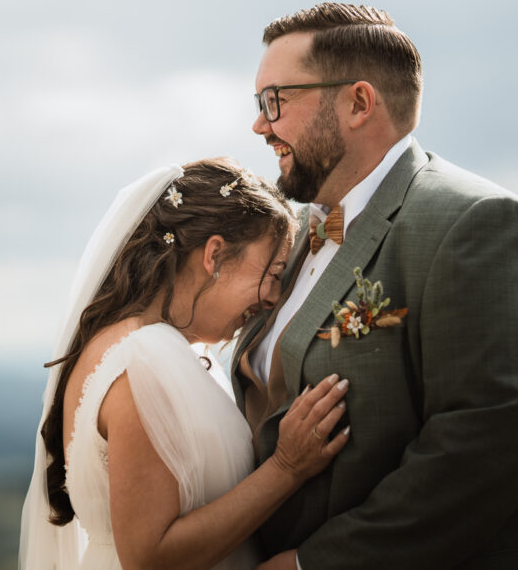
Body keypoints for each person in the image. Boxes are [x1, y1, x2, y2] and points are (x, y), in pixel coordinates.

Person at [235, 3, 518, 569]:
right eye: (260, 104)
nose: (260, 124)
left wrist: (313, 564)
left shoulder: (477, 223)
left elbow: (486, 443)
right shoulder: (296, 233)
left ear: (357, 103)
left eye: (275, 100)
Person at [19, 157, 352, 570]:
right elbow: (151, 555)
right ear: (214, 255)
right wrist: (287, 468)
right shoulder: (142, 358)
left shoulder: (135, 346)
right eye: (273, 272)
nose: (272, 298)